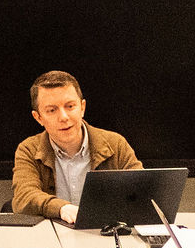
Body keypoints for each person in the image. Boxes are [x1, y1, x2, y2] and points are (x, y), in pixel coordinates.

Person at [11, 69, 142, 222]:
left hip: (105, 234)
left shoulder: (115, 144)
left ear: (82, 108)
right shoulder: (28, 149)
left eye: (70, 106)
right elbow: (24, 197)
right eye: (52, 110)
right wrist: (61, 208)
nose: (64, 117)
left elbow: (142, 190)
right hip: (53, 235)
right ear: (38, 117)